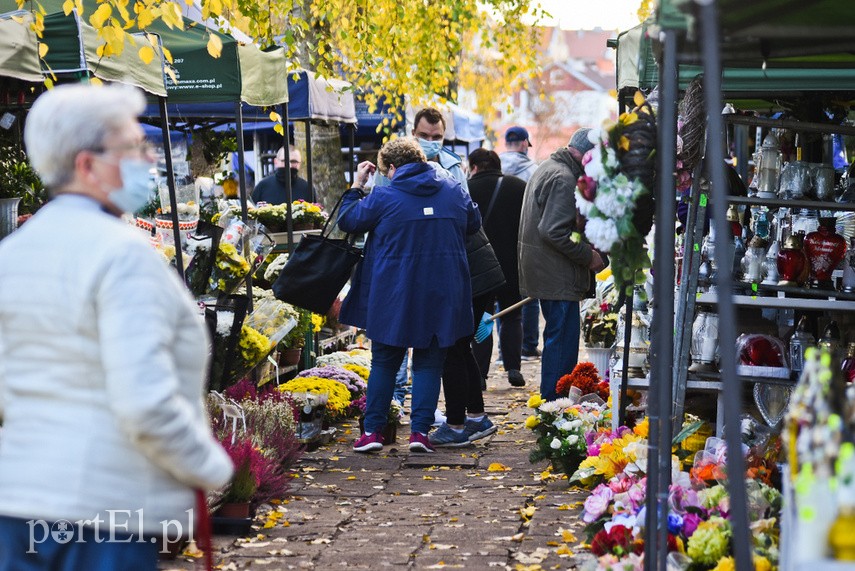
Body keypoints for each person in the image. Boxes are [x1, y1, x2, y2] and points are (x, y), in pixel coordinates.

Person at [0, 84, 233, 569]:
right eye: (133, 147)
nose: (149, 158)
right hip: (104, 511)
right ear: (87, 164)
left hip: (19, 503)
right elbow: (145, 403)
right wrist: (210, 465)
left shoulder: (13, 252)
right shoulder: (122, 256)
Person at [338, 138, 481, 453]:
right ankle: (420, 434)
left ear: (391, 168)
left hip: (394, 294)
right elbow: (474, 221)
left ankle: (373, 432)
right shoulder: (452, 190)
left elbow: (347, 221)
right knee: (429, 364)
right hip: (443, 293)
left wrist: (357, 186)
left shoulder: (384, 196)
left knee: (385, 361)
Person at [389, 107, 468, 414]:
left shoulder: (454, 167)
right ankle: (396, 401)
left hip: (440, 266)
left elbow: (466, 213)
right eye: (424, 136)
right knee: (396, 338)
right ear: (413, 134)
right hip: (401, 263)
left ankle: (426, 409)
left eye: (437, 137)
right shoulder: (393, 164)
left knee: (433, 344)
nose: (430, 142)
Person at [518, 128, 606, 401]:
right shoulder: (563, 178)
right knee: (562, 344)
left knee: (559, 339)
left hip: (550, 271)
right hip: (557, 274)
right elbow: (554, 231)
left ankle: (554, 403)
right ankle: (554, 406)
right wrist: (588, 256)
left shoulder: (551, 168)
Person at [467, 149, 527, 388]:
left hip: (479, 266)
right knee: (512, 316)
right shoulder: (518, 187)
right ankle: (513, 367)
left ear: (474, 167)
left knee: (482, 318)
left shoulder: (466, 189)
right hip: (511, 264)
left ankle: (480, 374)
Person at [499, 126, 542, 361]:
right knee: (529, 295)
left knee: (501, 296)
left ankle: (504, 349)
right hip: (525, 241)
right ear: (525, 143)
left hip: (498, 241)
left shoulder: (494, 166)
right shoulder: (533, 171)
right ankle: (527, 346)